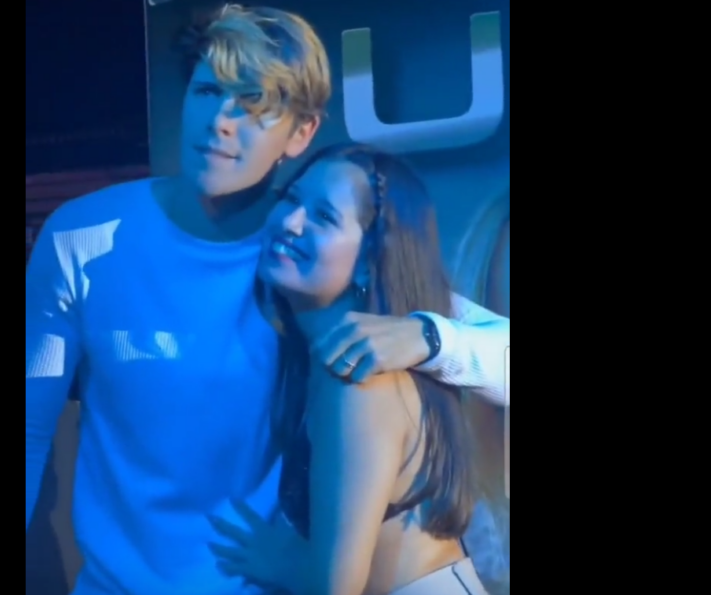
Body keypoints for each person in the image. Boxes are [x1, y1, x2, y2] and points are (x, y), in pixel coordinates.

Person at [25, 5, 510, 595]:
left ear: (301, 133)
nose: (221, 122)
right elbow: (30, 429)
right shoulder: (82, 238)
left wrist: (432, 336)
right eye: (208, 91)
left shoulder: (305, 254)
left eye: (255, 105)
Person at [206, 144, 507, 595]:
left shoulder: (357, 379)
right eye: (291, 198)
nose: (291, 222)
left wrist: (283, 563)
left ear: (369, 260)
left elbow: (334, 588)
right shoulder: (325, 361)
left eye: (324, 217)